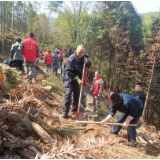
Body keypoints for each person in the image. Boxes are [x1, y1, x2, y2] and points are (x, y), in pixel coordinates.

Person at [61, 44, 91, 118]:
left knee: (77, 96)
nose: (81, 54)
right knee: (68, 95)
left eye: (83, 52)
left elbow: (89, 65)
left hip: (78, 80)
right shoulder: (71, 59)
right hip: (70, 79)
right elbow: (69, 72)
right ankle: (65, 112)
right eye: (80, 52)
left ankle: (75, 111)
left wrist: (87, 62)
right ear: (76, 50)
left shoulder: (85, 57)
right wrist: (77, 79)